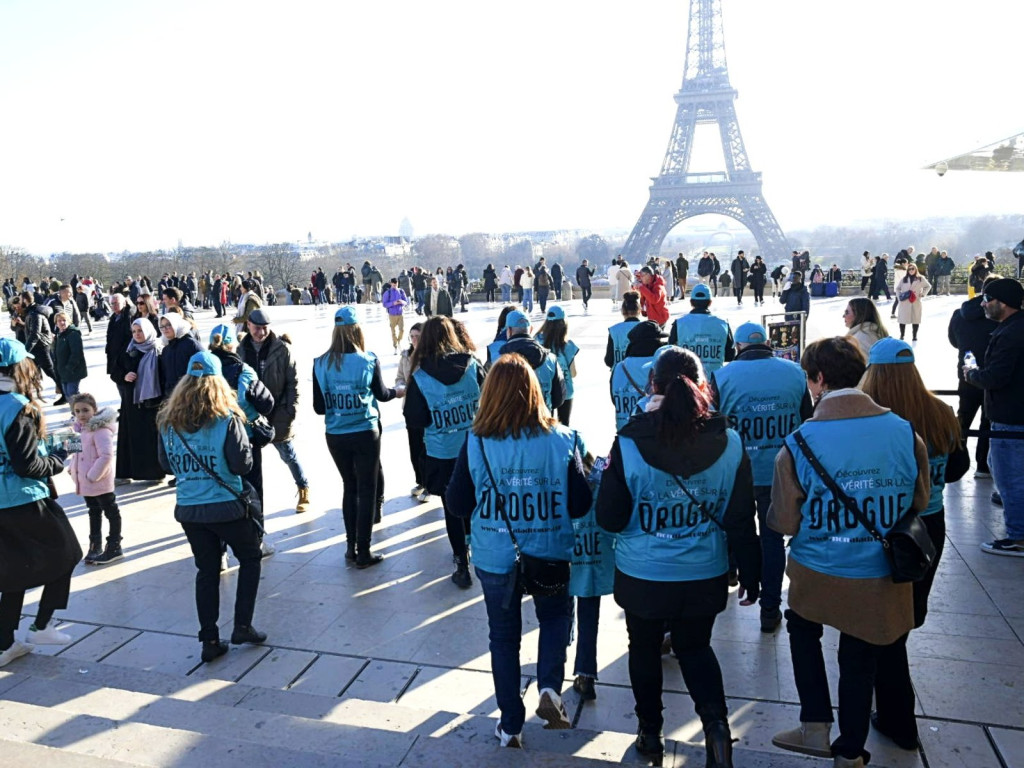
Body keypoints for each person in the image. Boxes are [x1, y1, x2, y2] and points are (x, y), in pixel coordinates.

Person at [769, 337, 930, 768]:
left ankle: (815, 725)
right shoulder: (903, 430)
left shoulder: (800, 441)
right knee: (860, 655)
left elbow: (785, 521)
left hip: (819, 568)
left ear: (818, 380)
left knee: (803, 629)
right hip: (880, 573)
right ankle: (850, 750)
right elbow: (920, 500)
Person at [597, 347, 760, 766]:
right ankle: (718, 732)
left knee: (644, 649)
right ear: (703, 386)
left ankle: (650, 734)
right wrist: (752, 573)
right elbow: (742, 516)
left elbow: (610, 518)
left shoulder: (630, 441)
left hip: (643, 574)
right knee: (695, 648)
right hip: (704, 572)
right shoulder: (730, 440)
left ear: (653, 386)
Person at [445, 354, 592, 747]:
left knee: (504, 637)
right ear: (534, 391)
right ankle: (548, 687)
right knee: (556, 616)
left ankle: (510, 723)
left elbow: (457, 502)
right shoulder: (562, 439)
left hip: (497, 552)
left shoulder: (475, 440)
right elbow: (580, 504)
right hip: (549, 547)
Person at [858, 338, 966, 751]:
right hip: (928, 527)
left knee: (885, 624)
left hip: (885, 524)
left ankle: (898, 718)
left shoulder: (873, 420)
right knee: (905, 613)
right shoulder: (941, 413)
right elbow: (958, 467)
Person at [157, 350, 265, 663]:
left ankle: (209, 639)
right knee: (250, 557)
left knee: (206, 570)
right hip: (226, 506)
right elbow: (242, 466)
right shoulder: (226, 419)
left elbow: (166, 464)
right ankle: (242, 625)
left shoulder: (168, 423)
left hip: (189, 508)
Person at [710, 322, 812, 634]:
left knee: (734, 528)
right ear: (767, 342)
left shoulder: (722, 376)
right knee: (772, 539)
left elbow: (713, 427)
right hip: (781, 470)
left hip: (738, 470)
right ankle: (770, 608)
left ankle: (731, 572)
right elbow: (807, 422)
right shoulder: (795, 372)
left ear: (738, 346)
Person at [0, 338, 81, 667]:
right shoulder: (17, 406)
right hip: (24, 497)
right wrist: (59, 459)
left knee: (13, 570)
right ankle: (42, 624)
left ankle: (5, 643)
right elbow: (27, 466)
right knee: (69, 551)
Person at [312, 307, 399, 567]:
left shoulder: (319, 363)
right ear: (358, 330)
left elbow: (318, 408)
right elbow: (382, 394)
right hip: (364, 431)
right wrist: (398, 391)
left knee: (349, 487)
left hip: (336, 433)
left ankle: (350, 547)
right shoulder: (368, 360)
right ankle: (364, 551)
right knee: (367, 489)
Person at [403, 316, 483, 586]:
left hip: (443, 451)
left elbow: (415, 419)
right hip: (476, 446)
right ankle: (481, 548)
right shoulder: (473, 365)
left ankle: (461, 560)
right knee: (478, 499)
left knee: (452, 507)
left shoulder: (421, 376)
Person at [962, 278, 1024, 555]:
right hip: (1012, 414)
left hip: (1009, 416)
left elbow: (997, 377)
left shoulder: (1011, 334)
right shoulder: (1013, 328)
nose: (984, 305)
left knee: (1010, 477)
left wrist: (972, 375)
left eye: (988, 300)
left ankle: (1018, 536)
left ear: (1004, 303)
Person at [238, 309, 310, 514]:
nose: (260, 332)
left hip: (277, 411)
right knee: (248, 460)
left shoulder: (281, 349)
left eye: (264, 328)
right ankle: (249, 498)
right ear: (248, 325)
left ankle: (303, 486)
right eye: (256, 328)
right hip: (250, 414)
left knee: (288, 454)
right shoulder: (241, 349)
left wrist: (290, 411)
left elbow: (292, 382)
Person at [208, 324, 275, 507]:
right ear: (233, 346)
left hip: (211, 440)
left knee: (221, 487)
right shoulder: (244, 370)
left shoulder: (202, 373)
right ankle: (255, 529)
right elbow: (265, 403)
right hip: (245, 438)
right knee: (252, 487)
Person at [947, 275, 999, 478]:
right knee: (988, 420)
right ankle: (983, 466)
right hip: (993, 374)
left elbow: (953, 340)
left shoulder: (959, 314)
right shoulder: (999, 316)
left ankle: (955, 460)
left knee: (963, 418)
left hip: (966, 372)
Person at [69, 393, 122, 565]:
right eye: (77, 411)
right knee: (93, 512)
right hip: (85, 482)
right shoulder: (78, 430)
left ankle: (114, 546)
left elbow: (106, 455)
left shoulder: (100, 430)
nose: (81, 414)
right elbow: (75, 453)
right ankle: (95, 545)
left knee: (110, 511)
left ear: (94, 410)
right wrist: (72, 470)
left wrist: (92, 475)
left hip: (98, 481)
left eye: (85, 410)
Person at [114, 319, 165, 483]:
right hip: (131, 402)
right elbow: (115, 371)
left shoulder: (158, 350)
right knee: (129, 437)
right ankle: (125, 473)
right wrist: (124, 376)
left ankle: (153, 474)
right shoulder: (128, 349)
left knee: (150, 438)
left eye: (140, 331)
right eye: (134, 331)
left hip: (151, 403)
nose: (136, 334)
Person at [496, 310, 566, 413]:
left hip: (511, 424)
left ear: (509, 331)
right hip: (543, 422)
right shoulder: (550, 358)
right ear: (531, 329)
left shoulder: (498, 359)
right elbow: (559, 397)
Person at [610, 321, 667, 431]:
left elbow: (614, 399)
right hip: (654, 435)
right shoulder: (661, 366)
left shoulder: (619, 368)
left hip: (625, 435)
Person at [668, 284, 735, 375]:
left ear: (691, 302)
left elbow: (670, 353)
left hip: (688, 382)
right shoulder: (723, 324)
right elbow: (730, 355)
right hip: (715, 381)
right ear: (710, 302)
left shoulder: (679, 323)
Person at [396, 323, 429, 502]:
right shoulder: (405, 356)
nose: (414, 340)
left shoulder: (430, 357)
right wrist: (400, 386)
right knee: (414, 447)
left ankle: (429, 483)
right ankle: (420, 481)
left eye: (417, 336)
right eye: (411, 336)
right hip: (409, 407)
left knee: (427, 448)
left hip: (427, 407)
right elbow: (400, 377)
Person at [535, 306, 579, 425]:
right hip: (566, 391)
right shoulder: (568, 345)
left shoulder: (537, 341)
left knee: (546, 425)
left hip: (543, 389)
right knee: (564, 425)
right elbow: (573, 373)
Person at [52, 311, 87, 398]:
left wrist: (69, 367)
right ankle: (75, 410)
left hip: (72, 370)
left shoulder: (73, 334)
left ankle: (79, 410)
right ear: (56, 323)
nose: (62, 322)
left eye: (64, 320)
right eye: (59, 321)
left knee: (72, 393)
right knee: (67, 393)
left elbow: (76, 353)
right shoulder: (59, 335)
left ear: (69, 321)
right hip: (62, 371)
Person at [605, 290, 642, 368]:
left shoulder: (614, 330)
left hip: (619, 375)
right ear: (639, 310)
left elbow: (609, 360)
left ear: (622, 311)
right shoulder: (647, 328)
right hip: (642, 375)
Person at [895, 263, 931, 341]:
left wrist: (923, 293)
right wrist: (899, 297)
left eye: (913, 269)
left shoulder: (921, 278)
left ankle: (914, 336)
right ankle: (902, 335)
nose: (911, 270)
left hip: (916, 301)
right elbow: (897, 288)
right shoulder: (904, 279)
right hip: (905, 302)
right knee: (902, 319)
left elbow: (928, 286)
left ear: (916, 269)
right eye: (909, 269)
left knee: (916, 319)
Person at [381, 278, 408, 352]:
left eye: (396, 284)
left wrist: (401, 302)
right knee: (393, 332)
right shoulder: (387, 293)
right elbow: (384, 304)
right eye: (394, 284)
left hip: (400, 313)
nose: (395, 285)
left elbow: (406, 301)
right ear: (391, 284)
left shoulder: (401, 291)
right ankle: (395, 345)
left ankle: (398, 341)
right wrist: (393, 303)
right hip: (392, 314)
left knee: (402, 330)